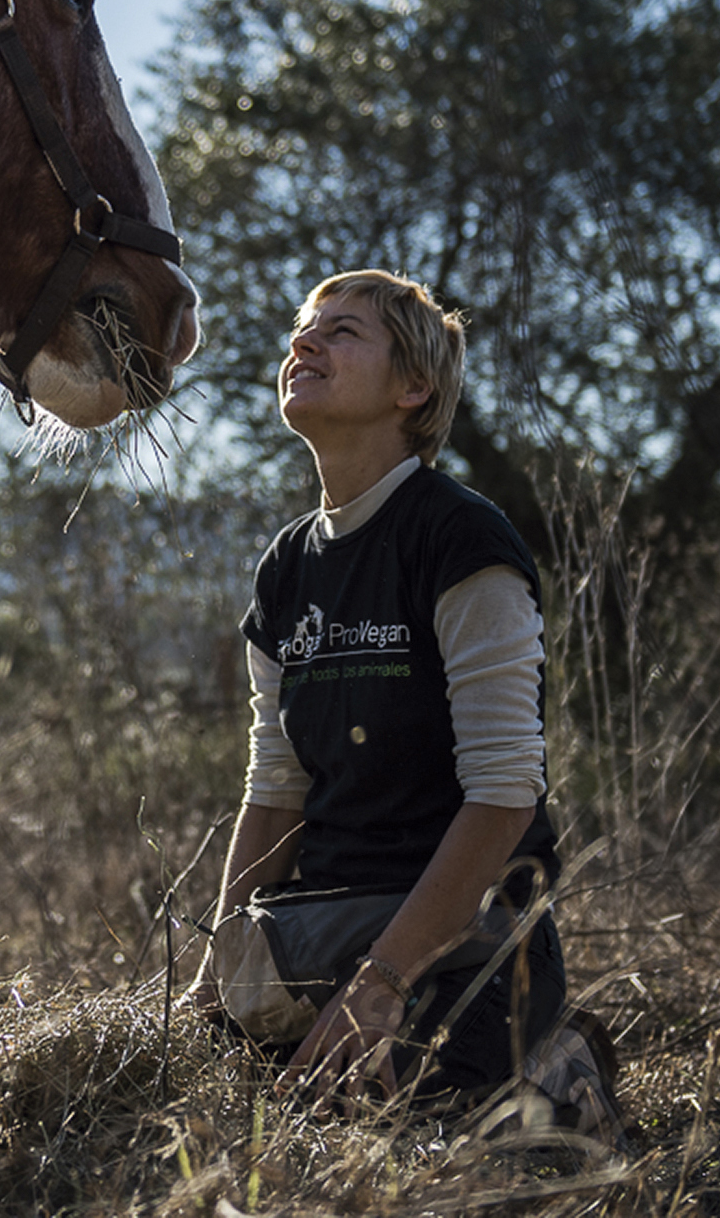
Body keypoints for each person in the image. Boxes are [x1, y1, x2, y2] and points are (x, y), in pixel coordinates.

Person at [189, 270, 616, 1128]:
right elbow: (275, 792)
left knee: (415, 1125)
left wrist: (381, 986)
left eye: (341, 332)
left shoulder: (460, 539)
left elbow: (505, 796)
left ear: (413, 388)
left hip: (464, 950)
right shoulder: (285, 567)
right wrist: (211, 984)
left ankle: (555, 1062)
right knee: (238, 1115)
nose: (302, 344)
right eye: (303, 329)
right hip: (320, 937)